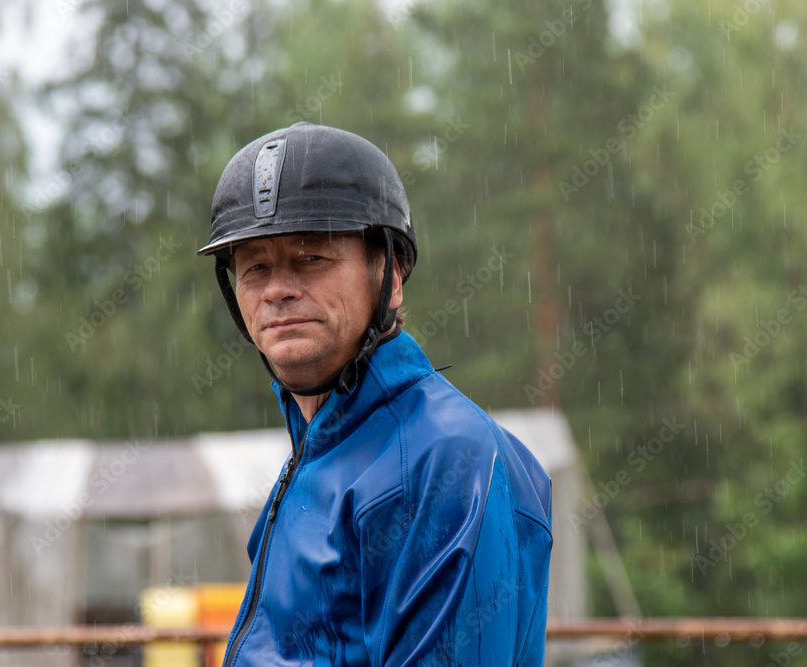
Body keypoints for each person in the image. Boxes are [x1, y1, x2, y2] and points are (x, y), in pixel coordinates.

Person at [198, 122, 552, 666]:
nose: (276, 289)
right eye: (255, 267)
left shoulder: (444, 459)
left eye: (311, 257)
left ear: (389, 275)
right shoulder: (321, 456)